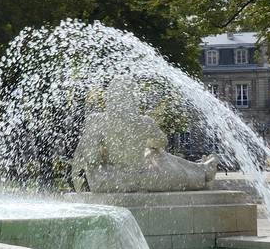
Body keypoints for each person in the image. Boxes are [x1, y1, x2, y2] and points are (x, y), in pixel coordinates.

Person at [70, 78, 218, 192]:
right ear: (134, 100)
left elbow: (91, 158)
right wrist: (149, 145)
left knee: (156, 154)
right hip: (145, 178)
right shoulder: (145, 123)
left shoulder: (98, 121)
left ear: (110, 99)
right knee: (159, 155)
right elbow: (162, 142)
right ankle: (203, 170)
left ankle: (203, 168)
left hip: (110, 180)